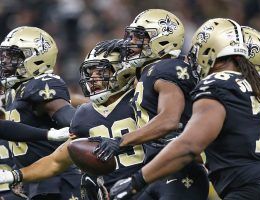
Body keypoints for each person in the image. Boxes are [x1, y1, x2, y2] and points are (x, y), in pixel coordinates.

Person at [109, 18, 260, 200]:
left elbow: (189, 146)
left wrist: (136, 181)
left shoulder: (217, 83)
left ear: (207, 52)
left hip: (251, 190)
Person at [93, 9, 209, 200]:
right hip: (156, 170)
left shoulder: (166, 68)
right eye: (130, 36)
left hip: (179, 169)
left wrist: (121, 141)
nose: (130, 42)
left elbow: (169, 120)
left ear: (162, 40)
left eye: (139, 37)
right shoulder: (148, 73)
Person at [0, 48, 145, 200]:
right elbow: (56, 161)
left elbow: (162, 129)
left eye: (100, 72)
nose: (93, 78)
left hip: (147, 183)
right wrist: (15, 175)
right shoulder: (84, 114)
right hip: (109, 192)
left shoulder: (141, 101)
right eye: (90, 72)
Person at [0, 26, 81, 200]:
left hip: (57, 180)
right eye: (5, 55)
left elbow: (71, 120)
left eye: (13, 55)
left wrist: (78, 128)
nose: (5, 60)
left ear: (36, 58)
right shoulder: (14, 90)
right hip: (35, 179)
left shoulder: (41, 83)